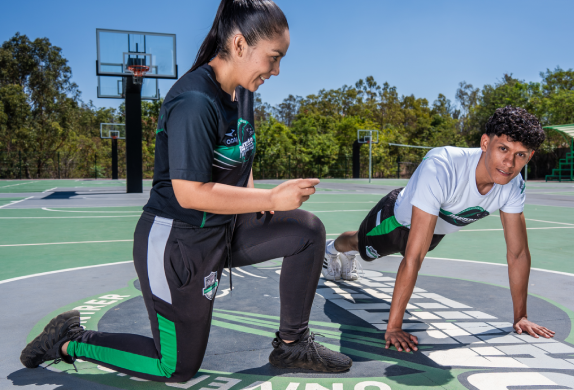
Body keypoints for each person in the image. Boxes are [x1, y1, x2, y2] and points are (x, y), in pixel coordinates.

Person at [20, 0, 352, 382]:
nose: (277, 70)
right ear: (240, 45)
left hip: (223, 230)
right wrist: (270, 199)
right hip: (177, 243)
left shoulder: (242, 91)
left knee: (306, 232)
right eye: (273, 58)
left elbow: (241, 153)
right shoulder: (194, 100)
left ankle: (292, 346)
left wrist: (255, 200)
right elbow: (189, 193)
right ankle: (69, 340)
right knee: (175, 366)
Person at [324, 106, 556, 352]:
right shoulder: (443, 165)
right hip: (395, 221)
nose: (509, 163)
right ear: (485, 143)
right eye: (503, 149)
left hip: (433, 232)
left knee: (396, 248)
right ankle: (332, 250)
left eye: (520, 155)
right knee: (361, 246)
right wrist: (393, 328)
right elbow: (413, 257)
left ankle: (345, 251)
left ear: (529, 157)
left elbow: (518, 253)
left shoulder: (513, 185)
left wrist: (520, 317)